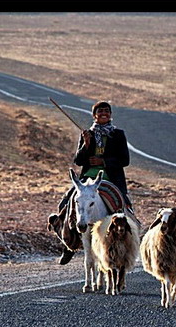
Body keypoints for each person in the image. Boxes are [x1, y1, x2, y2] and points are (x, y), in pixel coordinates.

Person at [50, 100, 133, 265]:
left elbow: (125, 160)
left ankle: (127, 243)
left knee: (124, 207)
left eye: (106, 111)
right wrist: (86, 145)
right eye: (100, 111)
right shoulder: (87, 134)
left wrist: (103, 162)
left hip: (110, 178)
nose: (104, 114)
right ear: (94, 115)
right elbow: (79, 161)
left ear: (110, 115)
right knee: (64, 204)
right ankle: (69, 245)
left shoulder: (118, 135)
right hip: (86, 178)